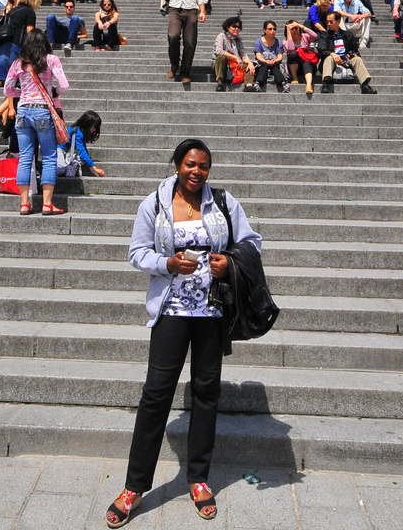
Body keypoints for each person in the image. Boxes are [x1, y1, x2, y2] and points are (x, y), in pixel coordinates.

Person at [110, 140, 261, 527]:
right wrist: (167, 264)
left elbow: (251, 243)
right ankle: (134, 487)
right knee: (156, 395)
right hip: (171, 314)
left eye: (204, 166)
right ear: (178, 164)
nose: (197, 172)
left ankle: (198, 479)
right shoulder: (154, 204)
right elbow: (136, 252)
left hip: (211, 312)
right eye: (191, 164)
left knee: (206, 392)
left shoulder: (224, 203)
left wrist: (228, 262)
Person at [3, 31, 69, 215]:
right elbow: (64, 85)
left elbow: (7, 89)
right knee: (48, 157)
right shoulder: (52, 60)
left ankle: (25, 204)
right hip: (42, 110)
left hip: (23, 110)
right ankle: (47, 204)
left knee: (25, 158)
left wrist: (20, 94)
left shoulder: (19, 63)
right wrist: (53, 92)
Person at [158, 0, 208, 86]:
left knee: (190, 42)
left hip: (191, 8)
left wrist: (202, 10)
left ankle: (185, 71)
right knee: (173, 36)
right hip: (175, 8)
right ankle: (174, 64)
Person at [0, 0, 41, 91]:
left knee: (2, 60)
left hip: (3, 39)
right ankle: (15, 83)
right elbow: (30, 31)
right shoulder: (29, 12)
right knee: (17, 63)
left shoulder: (13, 10)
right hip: (16, 41)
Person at [317, 12, 376, 94]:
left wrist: (352, 55)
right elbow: (321, 50)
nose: (328, 24)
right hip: (331, 61)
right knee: (329, 57)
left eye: (331, 22)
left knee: (357, 59)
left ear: (338, 22)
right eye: (327, 22)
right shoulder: (324, 36)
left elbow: (355, 50)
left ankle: (365, 85)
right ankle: (325, 83)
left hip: (346, 60)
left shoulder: (348, 35)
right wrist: (332, 54)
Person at [211, 16, 252, 92]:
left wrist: (249, 62)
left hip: (234, 65)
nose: (236, 29)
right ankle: (219, 83)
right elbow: (219, 51)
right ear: (227, 27)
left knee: (248, 65)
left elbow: (243, 54)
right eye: (234, 26)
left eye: (238, 27)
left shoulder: (238, 40)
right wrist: (235, 57)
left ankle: (248, 85)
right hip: (221, 64)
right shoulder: (221, 36)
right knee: (221, 57)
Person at [251, 20, 290, 92]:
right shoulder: (259, 41)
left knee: (274, 65)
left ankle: (283, 83)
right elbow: (258, 56)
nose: (273, 31)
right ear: (264, 30)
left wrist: (275, 60)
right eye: (270, 29)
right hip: (262, 63)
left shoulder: (278, 42)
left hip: (274, 63)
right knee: (264, 65)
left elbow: (280, 56)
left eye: (274, 29)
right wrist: (266, 61)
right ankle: (258, 83)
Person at [283, 20, 320, 95]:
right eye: (292, 29)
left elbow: (315, 36)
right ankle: (294, 77)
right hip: (295, 67)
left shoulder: (304, 37)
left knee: (306, 63)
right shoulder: (285, 41)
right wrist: (289, 33)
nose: (295, 30)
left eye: (296, 28)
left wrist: (301, 26)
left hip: (307, 64)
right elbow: (291, 48)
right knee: (293, 54)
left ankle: (309, 85)